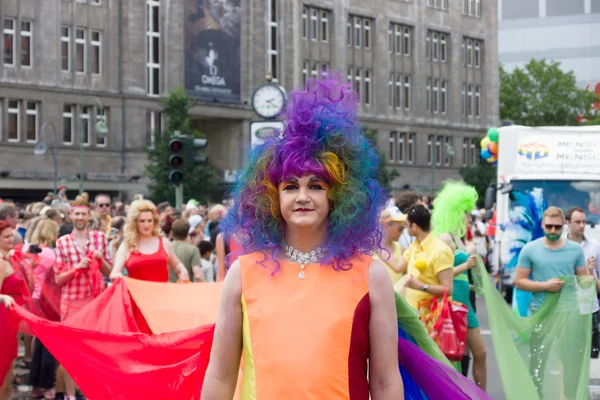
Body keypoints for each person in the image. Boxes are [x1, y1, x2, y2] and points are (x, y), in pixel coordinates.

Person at [202, 75, 404, 398]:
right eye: (291, 186)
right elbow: (220, 376)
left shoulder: (371, 274)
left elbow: (385, 381)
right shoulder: (242, 273)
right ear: (272, 196)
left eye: (316, 186)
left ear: (338, 195)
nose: (302, 197)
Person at [515, 206, 588, 399]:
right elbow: (520, 282)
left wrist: (588, 278)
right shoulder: (530, 249)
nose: (553, 231)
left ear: (564, 225)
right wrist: (544, 285)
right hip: (542, 313)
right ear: (542, 225)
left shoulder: (574, 250)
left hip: (569, 314)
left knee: (572, 364)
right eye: (549, 227)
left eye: (557, 227)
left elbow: (584, 279)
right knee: (538, 363)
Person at [53, 193, 113, 400]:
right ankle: (70, 396)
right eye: (76, 214)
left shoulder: (100, 238)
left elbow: (110, 272)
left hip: (96, 303)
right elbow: (58, 279)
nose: (80, 217)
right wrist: (76, 269)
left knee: (96, 352)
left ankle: (91, 392)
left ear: (89, 216)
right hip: (71, 303)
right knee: (71, 353)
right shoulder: (62, 242)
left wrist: (100, 259)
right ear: (70, 215)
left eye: (83, 214)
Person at [431, 180, 487, 390]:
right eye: (465, 211)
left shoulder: (458, 237)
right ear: (454, 211)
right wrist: (465, 266)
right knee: (454, 355)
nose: (468, 216)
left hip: (465, 300)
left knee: (480, 352)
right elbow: (439, 275)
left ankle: (481, 393)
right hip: (453, 301)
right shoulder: (444, 238)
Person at [110, 200, 190, 283]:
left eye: (149, 220)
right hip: (136, 294)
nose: (146, 225)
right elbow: (114, 273)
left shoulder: (164, 242)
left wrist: (183, 270)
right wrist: (117, 276)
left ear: (154, 221)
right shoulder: (126, 245)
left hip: (163, 294)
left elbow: (176, 265)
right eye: (142, 221)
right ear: (135, 223)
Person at [403, 204, 454, 310]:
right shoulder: (415, 245)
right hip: (415, 316)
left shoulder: (440, 250)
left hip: (432, 319)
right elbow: (398, 266)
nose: (405, 228)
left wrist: (421, 286)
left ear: (414, 227)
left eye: (406, 224)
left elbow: (448, 289)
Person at [565, 206, 600, 358]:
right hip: (565, 308)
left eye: (584, 222)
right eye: (577, 222)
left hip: (589, 309)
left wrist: (591, 275)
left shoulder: (595, 246)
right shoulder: (560, 246)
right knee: (566, 355)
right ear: (567, 222)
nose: (581, 225)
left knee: (590, 357)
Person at [0, 220, 28, 400]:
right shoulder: (0, 263)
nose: (11, 239)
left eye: (12, 235)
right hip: (3, 319)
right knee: (3, 368)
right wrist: (3, 297)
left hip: (10, 319)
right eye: (6, 236)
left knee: (9, 367)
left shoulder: (7, 258)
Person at [373, 206, 407, 285]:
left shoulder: (401, 249)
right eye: (400, 228)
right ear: (387, 226)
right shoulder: (369, 251)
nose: (402, 232)